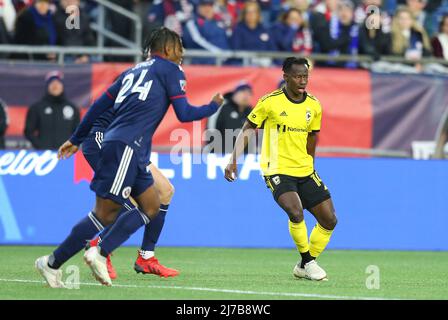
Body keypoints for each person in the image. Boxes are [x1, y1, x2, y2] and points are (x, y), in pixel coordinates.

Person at [35, 27, 224, 288]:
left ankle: (100, 251)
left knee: (151, 206)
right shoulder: (171, 70)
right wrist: (213, 106)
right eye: (179, 47)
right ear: (167, 49)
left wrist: (75, 139)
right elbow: (183, 113)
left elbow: (98, 105)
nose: (182, 53)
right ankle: (55, 261)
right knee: (104, 214)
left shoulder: (132, 71)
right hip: (125, 145)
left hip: (130, 147)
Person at [224, 57, 338, 281]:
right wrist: (233, 159)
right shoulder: (270, 102)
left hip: (304, 169)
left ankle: (304, 264)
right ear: (285, 77)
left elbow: (312, 136)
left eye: (306, 76)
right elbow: (248, 128)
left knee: (330, 220)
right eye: (297, 76)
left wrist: (311, 163)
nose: (302, 80)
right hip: (276, 168)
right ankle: (308, 262)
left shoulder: (313, 105)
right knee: (295, 212)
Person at [24, 71, 80, 150]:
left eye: (58, 83)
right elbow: (28, 131)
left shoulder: (72, 108)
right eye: (52, 83)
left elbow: (78, 132)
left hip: (66, 156)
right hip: (44, 157)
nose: (55, 85)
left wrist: (69, 147)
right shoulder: (37, 107)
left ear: (62, 86)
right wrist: (41, 146)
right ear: (47, 86)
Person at [206, 82, 253, 154]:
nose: (246, 96)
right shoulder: (222, 107)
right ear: (235, 94)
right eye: (243, 92)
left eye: (249, 93)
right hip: (221, 155)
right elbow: (211, 129)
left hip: (243, 157)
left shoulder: (251, 112)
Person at [182, 0, 230, 65]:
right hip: (201, 66)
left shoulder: (219, 23)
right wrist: (221, 54)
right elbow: (196, 40)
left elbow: (227, 42)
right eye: (203, 5)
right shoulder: (192, 23)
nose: (207, 8)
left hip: (223, 65)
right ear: (198, 7)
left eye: (210, 5)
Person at [230, 1, 275, 66]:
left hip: (265, 65)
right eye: (248, 12)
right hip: (244, 65)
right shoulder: (238, 30)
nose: (250, 14)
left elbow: (273, 49)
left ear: (258, 14)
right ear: (244, 14)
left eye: (253, 12)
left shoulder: (265, 30)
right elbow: (236, 51)